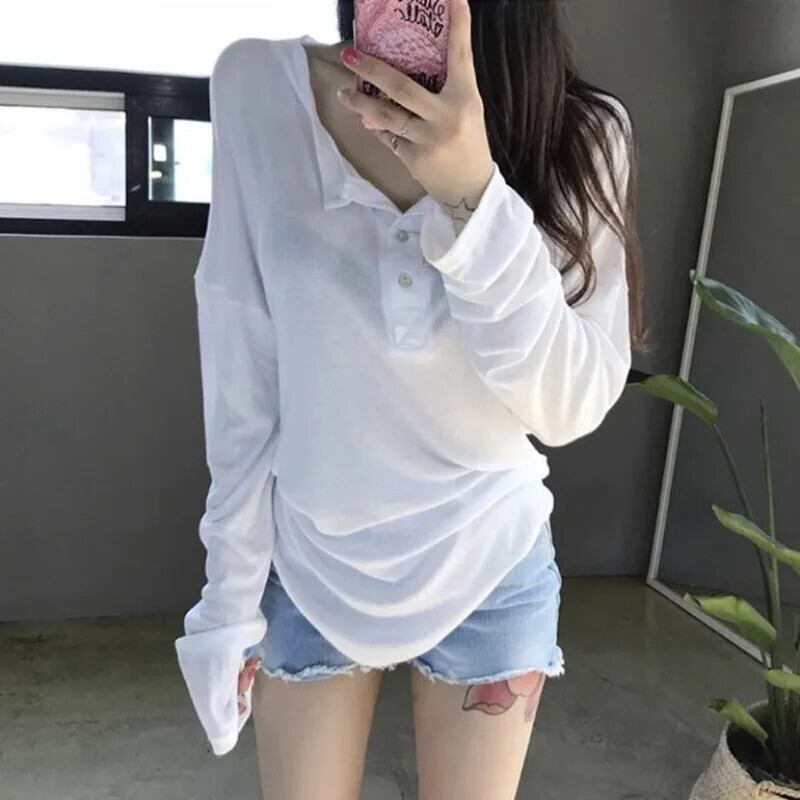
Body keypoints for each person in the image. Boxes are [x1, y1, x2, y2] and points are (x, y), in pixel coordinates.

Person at [174, 0, 647, 797]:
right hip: (312, 565)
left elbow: (568, 407)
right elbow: (242, 369)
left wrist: (473, 196)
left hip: (490, 564)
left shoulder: (583, 131)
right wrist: (227, 597)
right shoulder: (259, 84)